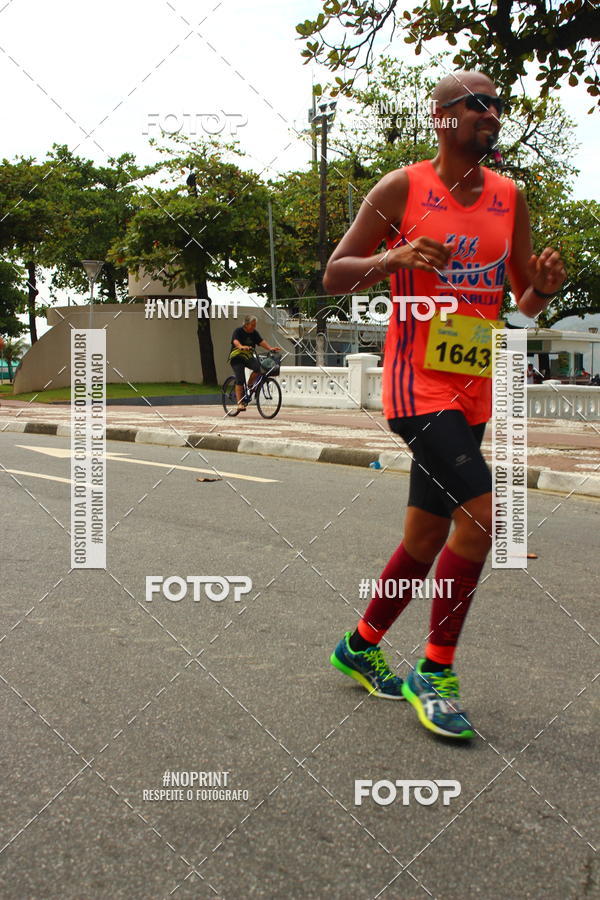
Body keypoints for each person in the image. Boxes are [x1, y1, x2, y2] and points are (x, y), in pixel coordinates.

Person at [324, 70, 566, 740]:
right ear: (442, 117)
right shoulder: (401, 188)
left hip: (473, 388)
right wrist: (394, 256)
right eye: (477, 104)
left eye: (498, 105)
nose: (492, 113)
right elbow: (335, 273)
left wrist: (544, 289)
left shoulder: (509, 197)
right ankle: (435, 671)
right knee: (485, 517)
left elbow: (520, 305)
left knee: (426, 538)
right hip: (416, 386)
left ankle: (361, 645)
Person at [229, 315, 281, 411]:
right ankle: (239, 403)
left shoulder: (254, 333)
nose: (254, 327)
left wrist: (270, 348)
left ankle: (249, 386)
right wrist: (241, 346)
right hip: (237, 357)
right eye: (252, 325)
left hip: (248, 357)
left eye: (255, 325)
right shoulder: (238, 331)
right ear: (246, 324)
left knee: (258, 368)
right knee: (240, 379)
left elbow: (261, 341)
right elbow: (235, 341)